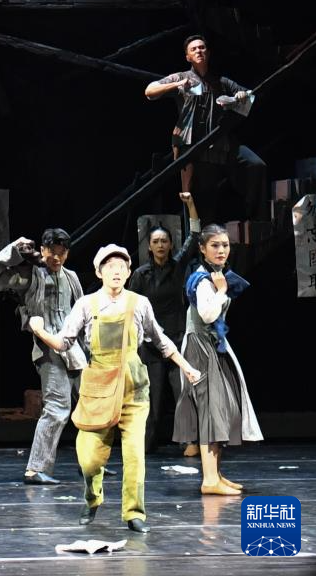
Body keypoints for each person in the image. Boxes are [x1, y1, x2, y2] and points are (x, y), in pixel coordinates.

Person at [29, 244, 200, 534]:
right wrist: (40, 330)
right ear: (99, 272)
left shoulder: (140, 303)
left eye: (122, 266)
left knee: (134, 454)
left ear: (129, 271)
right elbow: (63, 342)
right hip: (99, 386)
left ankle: (134, 513)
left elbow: (161, 341)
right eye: (110, 266)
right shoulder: (86, 304)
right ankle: (92, 497)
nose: (116, 271)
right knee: (89, 457)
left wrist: (187, 367)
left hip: (134, 387)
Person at [0, 228, 86, 485]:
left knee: (90, 407)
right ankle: (35, 468)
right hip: (48, 350)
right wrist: (14, 249)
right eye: (52, 252)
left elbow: (84, 312)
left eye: (62, 253)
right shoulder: (30, 275)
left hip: (76, 350)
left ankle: (92, 462)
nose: (56, 258)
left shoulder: (71, 277)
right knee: (57, 409)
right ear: (43, 250)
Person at [173, 221, 262, 494]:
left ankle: (216, 475)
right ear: (202, 248)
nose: (221, 250)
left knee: (221, 409)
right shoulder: (202, 279)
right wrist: (221, 291)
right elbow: (207, 314)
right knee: (210, 411)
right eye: (215, 245)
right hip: (200, 347)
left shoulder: (216, 275)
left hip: (213, 345)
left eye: (225, 245)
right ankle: (209, 480)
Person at [144, 34, 267, 223]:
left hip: (220, 142)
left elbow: (250, 96)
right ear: (188, 57)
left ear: (208, 53)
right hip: (193, 145)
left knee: (255, 165)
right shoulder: (182, 77)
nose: (198, 51)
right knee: (199, 201)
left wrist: (241, 96)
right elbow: (150, 91)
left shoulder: (221, 81)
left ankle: (256, 219)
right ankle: (196, 239)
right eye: (193, 49)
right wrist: (177, 85)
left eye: (202, 48)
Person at [128, 192, 200, 452]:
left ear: (170, 245)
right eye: (156, 242)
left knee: (183, 394)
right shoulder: (140, 275)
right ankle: (146, 445)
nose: (160, 245)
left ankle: (190, 440)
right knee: (153, 399)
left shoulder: (178, 267)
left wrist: (190, 204)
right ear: (149, 246)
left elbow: (194, 236)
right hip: (150, 345)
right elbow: (131, 310)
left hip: (177, 341)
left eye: (164, 241)